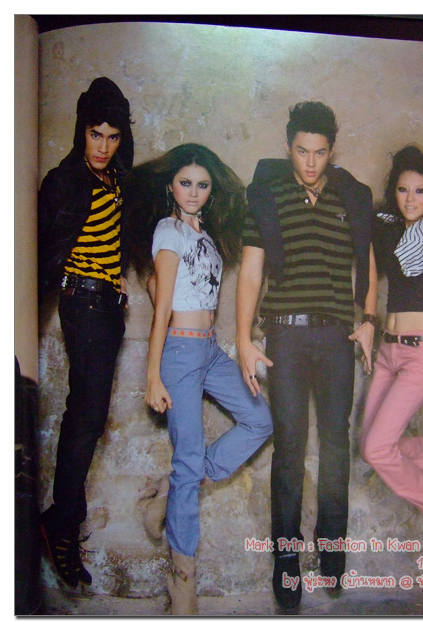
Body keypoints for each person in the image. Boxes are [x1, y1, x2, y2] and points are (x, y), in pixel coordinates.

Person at [236, 101, 378, 610]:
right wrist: (243, 338)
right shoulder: (268, 196)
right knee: (291, 447)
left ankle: (332, 549)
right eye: (302, 151)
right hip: (286, 337)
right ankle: (286, 559)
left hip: (337, 336)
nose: (311, 162)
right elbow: (251, 271)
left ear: (331, 150)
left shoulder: (351, 196)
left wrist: (368, 320)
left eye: (320, 152)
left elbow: (366, 261)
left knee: (336, 444)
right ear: (288, 147)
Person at [127, 144, 273, 615]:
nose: (193, 192)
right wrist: (153, 375)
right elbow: (162, 309)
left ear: (212, 191)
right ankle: (182, 582)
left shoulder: (206, 237)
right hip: (179, 352)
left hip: (208, 349)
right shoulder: (168, 231)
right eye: (185, 183)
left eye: (202, 185)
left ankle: (175, 489)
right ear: (171, 186)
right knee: (188, 459)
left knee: (260, 419)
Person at [38, 77, 134, 588]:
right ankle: (62, 522)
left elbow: (114, 237)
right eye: (95, 135)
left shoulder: (116, 178)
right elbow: (42, 247)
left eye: (112, 137)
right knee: (85, 417)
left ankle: (60, 519)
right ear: (82, 131)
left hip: (108, 307)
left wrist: (118, 280)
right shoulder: (65, 180)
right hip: (84, 304)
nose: (103, 146)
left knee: (88, 416)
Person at [359, 145, 423, 539]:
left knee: (378, 448)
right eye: (402, 190)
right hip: (387, 351)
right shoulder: (389, 231)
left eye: (420, 191)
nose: (410, 200)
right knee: (371, 448)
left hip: (421, 355)